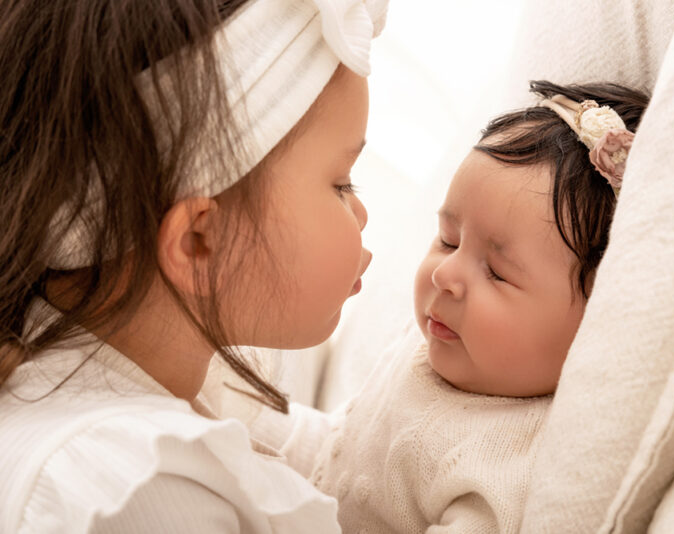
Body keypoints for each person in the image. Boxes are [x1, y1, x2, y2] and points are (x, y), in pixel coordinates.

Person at [0, 0, 388, 532]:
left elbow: (358, 457)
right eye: (342, 184)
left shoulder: (178, 389)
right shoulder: (136, 487)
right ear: (197, 241)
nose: (361, 212)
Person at [224, 80, 650, 533]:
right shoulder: (436, 346)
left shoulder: (512, 467)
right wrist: (232, 414)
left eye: (497, 273)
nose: (444, 275)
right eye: (448, 240)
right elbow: (334, 455)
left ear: (595, 319)